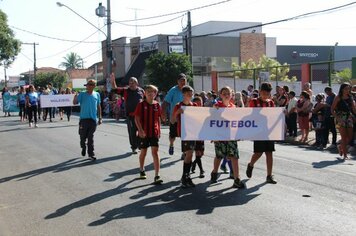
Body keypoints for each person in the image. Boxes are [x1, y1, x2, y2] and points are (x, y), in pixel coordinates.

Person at [210, 86, 245, 189]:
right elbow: (211, 121)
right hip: (219, 137)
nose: (226, 95)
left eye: (228, 93)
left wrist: (238, 134)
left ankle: (236, 179)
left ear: (231, 95)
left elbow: (237, 122)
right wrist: (212, 135)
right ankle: (214, 172)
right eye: (224, 93)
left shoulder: (233, 107)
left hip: (231, 136)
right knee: (219, 156)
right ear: (220, 95)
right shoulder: (217, 106)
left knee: (234, 157)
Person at [246, 82, 277, 184]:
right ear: (260, 92)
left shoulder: (271, 103)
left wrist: (281, 114)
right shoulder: (254, 102)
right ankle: (251, 164)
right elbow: (250, 115)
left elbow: (273, 116)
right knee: (258, 153)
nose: (265, 95)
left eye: (267, 93)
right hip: (258, 131)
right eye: (263, 93)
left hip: (268, 131)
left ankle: (269, 175)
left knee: (269, 153)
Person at [134, 85, 163, 184]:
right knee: (144, 152)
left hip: (154, 132)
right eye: (148, 92)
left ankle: (157, 175)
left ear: (155, 94)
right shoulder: (141, 105)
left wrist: (159, 130)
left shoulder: (157, 105)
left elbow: (158, 118)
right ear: (145, 93)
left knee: (155, 152)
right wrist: (140, 130)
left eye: (153, 92)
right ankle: (142, 169)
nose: (151, 93)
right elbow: (136, 118)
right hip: (144, 133)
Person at [171, 85, 200, 187]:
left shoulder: (195, 105)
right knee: (189, 153)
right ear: (183, 94)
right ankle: (185, 177)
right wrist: (177, 113)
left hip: (194, 133)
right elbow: (172, 121)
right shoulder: (179, 106)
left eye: (191, 94)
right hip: (185, 133)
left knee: (190, 154)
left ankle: (186, 176)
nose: (190, 95)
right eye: (188, 94)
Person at [111, 73, 144, 154]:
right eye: (130, 82)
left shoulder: (141, 91)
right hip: (130, 115)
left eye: (133, 82)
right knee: (132, 132)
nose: (131, 84)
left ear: (137, 83)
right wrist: (113, 81)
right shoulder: (125, 90)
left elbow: (145, 101)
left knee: (141, 130)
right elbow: (115, 88)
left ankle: (139, 144)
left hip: (140, 115)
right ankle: (134, 147)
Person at [73, 79, 102, 161]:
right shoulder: (82, 94)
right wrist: (75, 96)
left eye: (90, 85)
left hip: (93, 120)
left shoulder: (97, 94)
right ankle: (83, 147)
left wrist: (100, 118)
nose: (88, 86)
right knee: (82, 137)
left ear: (94, 86)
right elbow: (75, 102)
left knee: (90, 137)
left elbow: (99, 106)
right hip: (83, 120)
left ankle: (91, 154)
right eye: (88, 85)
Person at [161, 73, 187, 156]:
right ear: (177, 81)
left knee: (185, 135)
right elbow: (165, 102)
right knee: (173, 135)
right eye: (181, 80)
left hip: (185, 118)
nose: (183, 82)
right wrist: (163, 114)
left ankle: (184, 152)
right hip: (174, 117)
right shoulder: (173, 90)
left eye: (184, 80)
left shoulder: (188, 90)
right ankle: (171, 144)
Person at [331, 83, 356, 160]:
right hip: (340, 117)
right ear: (342, 89)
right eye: (346, 89)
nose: (347, 90)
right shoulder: (338, 97)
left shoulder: (350, 97)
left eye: (349, 88)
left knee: (350, 137)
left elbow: (354, 109)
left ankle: (340, 146)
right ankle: (345, 155)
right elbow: (332, 109)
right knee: (344, 137)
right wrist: (338, 118)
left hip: (349, 117)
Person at [190, 96, 205, 178]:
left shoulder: (204, 112)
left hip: (201, 135)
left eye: (201, 103)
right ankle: (201, 171)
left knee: (201, 154)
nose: (199, 105)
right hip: (194, 135)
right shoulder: (192, 112)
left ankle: (194, 163)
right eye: (197, 103)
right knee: (198, 153)